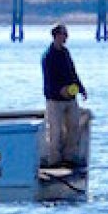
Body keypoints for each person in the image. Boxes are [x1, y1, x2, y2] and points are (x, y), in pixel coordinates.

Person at [41, 23, 88, 168]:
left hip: (70, 99)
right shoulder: (48, 56)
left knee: (74, 127)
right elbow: (48, 79)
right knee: (55, 131)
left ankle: (69, 158)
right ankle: (54, 160)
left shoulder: (66, 53)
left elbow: (73, 72)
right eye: (64, 34)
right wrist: (59, 90)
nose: (66, 37)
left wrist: (81, 88)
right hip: (55, 100)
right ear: (56, 35)